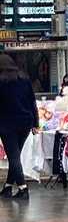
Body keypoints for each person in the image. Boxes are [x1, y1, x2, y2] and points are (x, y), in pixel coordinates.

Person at [0, 54, 38, 200]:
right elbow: (32, 101)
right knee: (14, 156)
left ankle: (23, 188)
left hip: (7, 124)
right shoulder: (24, 78)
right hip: (25, 123)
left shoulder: (1, 81)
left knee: (13, 157)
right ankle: (8, 187)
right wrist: (36, 123)